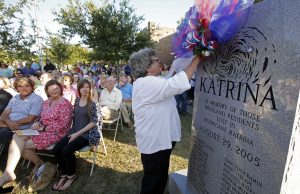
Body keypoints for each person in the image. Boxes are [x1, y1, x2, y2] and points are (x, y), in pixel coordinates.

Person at [130, 48, 200, 194]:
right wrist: (197, 59)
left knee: (158, 177)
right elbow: (175, 84)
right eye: (155, 59)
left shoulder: (150, 81)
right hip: (155, 143)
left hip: (159, 141)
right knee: (154, 182)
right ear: (147, 67)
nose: (159, 61)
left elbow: (168, 83)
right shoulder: (145, 83)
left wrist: (176, 68)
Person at [0, 80, 73, 193]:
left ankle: (39, 164)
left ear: (60, 89)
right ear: (47, 90)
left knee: (20, 146)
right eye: (51, 89)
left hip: (56, 133)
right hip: (41, 130)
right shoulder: (46, 102)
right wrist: (37, 123)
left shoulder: (65, 104)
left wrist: (42, 127)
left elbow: (63, 125)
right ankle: (9, 173)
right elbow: (41, 119)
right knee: (18, 136)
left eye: (56, 88)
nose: (54, 90)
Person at [52, 79, 102, 191]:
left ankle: (71, 175)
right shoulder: (77, 100)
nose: (85, 89)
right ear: (78, 89)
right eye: (83, 87)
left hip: (86, 135)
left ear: (90, 89)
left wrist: (77, 134)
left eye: (88, 87)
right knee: (56, 149)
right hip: (74, 131)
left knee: (66, 150)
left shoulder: (93, 103)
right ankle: (63, 174)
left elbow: (94, 122)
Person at [0, 77, 43, 144]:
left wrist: (10, 124)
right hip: (8, 124)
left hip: (22, 128)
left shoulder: (37, 99)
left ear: (32, 87)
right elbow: (4, 114)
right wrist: (9, 123)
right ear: (17, 88)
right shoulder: (15, 98)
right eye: (20, 86)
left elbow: (30, 119)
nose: (24, 89)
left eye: (27, 86)